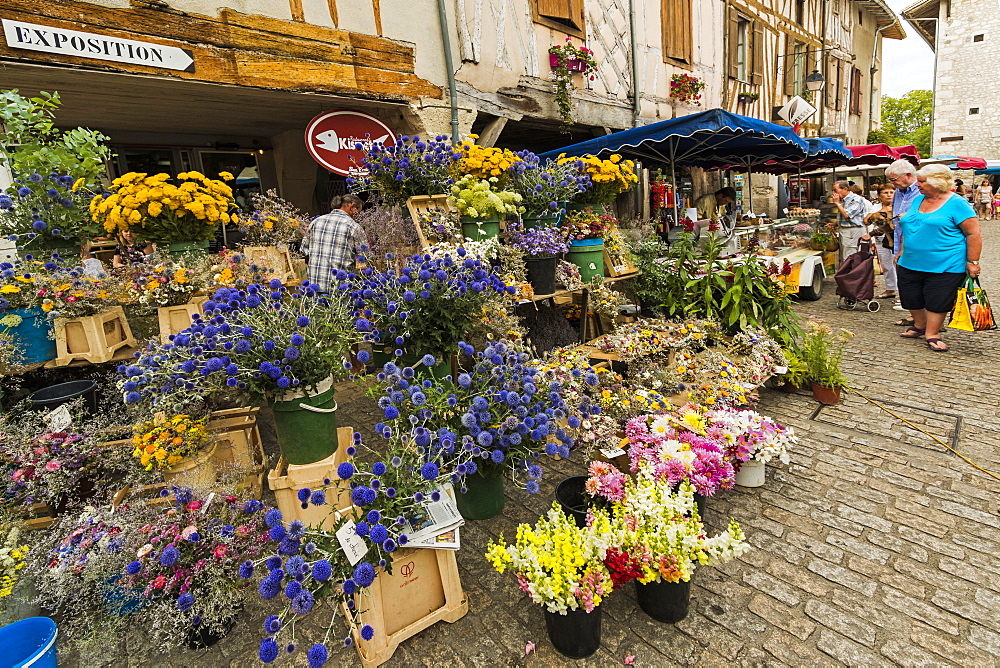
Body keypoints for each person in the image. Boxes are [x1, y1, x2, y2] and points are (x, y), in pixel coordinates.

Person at [896, 164, 982, 352]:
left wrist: (972, 262)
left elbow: (973, 234)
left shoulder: (957, 203)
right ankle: (920, 325)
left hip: (946, 263)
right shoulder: (918, 200)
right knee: (911, 297)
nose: (917, 184)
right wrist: (902, 249)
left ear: (937, 182)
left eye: (922, 181)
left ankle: (932, 333)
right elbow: (910, 226)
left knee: (938, 300)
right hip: (910, 261)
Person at [305, 193, 368, 292]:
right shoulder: (353, 227)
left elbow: (304, 249)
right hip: (339, 288)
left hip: (314, 285)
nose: (357, 216)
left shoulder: (316, 222)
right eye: (358, 212)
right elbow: (365, 256)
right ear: (351, 206)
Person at [884, 159, 921, 323]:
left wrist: (909, 217)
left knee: (917, 280)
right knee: (907, 282)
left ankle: (926, 321)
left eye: (894, 180)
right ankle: (917, 317)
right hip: (900, 240)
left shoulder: (921, 190)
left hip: (915, 243)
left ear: (908, 175)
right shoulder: (900, 191)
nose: (891, 184)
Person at [863, 184, 898, 299]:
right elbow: (866, 221)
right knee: (886, 265)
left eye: (891, 192)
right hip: (880, 239)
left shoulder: (899, 205)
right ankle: (890, 289)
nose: (889, 195)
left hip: (897, 239)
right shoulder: (876, 207)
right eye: (885, 193)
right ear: (879, 195)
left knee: (899, 265)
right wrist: (881, 211)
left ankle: (903, 293)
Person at [831, 180, 867, 262]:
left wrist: (837, 203)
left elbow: (847, 215)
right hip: (845, 230)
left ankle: (851, 273)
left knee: (849, 256)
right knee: (845, 255)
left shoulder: (855, 199)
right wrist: (835, 224)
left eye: (835, 190)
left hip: (852, 231)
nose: (833, 193)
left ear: (845, 189)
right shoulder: (843, 200)